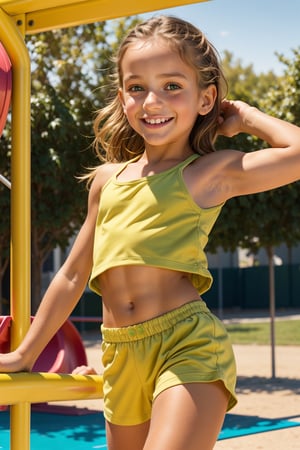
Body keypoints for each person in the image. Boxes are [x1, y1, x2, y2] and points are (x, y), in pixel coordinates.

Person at [1, 15, 300, 450]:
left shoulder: (207, 173)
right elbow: (71, 275)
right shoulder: (107, 181)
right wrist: (25, 353)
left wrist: (247, 117)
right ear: (123, 97)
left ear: (206, 99)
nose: (152, 101)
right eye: (137, 87)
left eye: (173, 86)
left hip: (186, 346)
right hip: (120, 354)